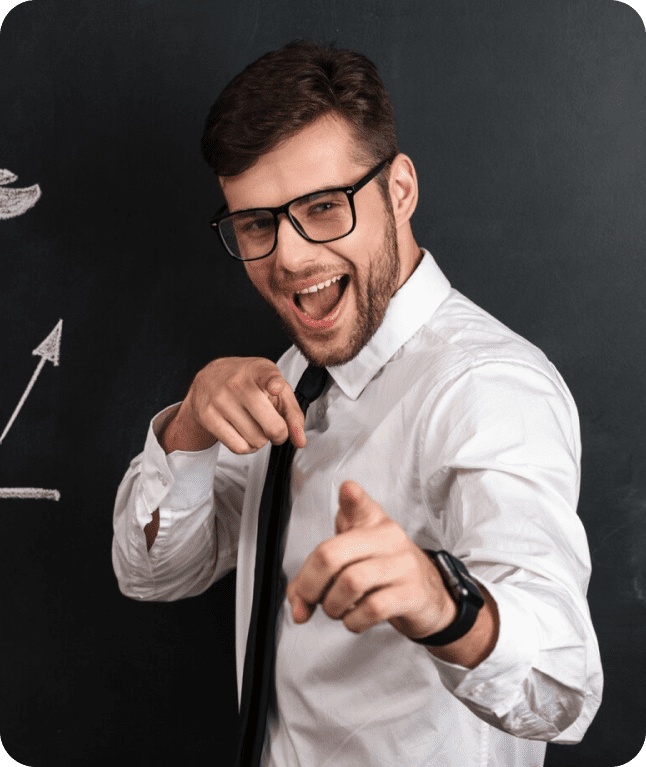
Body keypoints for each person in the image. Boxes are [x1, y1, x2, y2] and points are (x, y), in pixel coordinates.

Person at [112, 40, 602, 767]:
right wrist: (188, 429)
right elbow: (154, 573)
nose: (289, 257)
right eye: (257, 224)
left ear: (399, 190)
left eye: (322, 206)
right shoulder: (294, 371)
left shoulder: (487, 388)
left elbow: (565, 688)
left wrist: (446, 604)